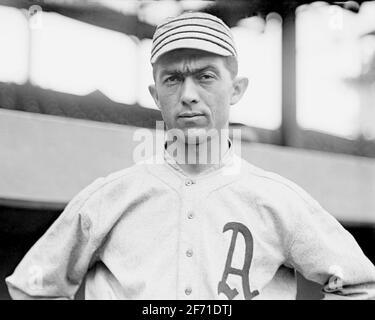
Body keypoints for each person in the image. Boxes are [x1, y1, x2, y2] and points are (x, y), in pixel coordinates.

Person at [5, 11, 375, 300]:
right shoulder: (108, 198)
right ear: (155, 94)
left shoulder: (277, 200)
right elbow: (34, 283)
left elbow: (360, 283)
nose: (189, 95)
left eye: (206, 76)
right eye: (172, 79)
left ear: (237, 89)